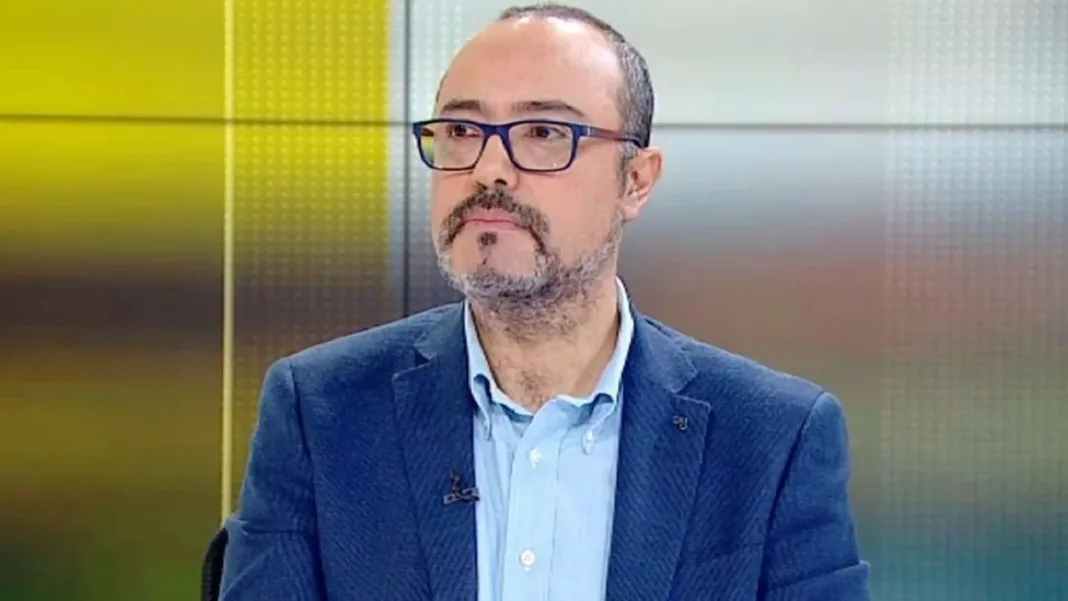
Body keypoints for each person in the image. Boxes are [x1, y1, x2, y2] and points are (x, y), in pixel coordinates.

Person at [219, 3, 871, 600]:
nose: (488, 169)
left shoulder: (772, 439)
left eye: (542, 132)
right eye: (461, 130)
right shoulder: (322, 412)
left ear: (636, 181)